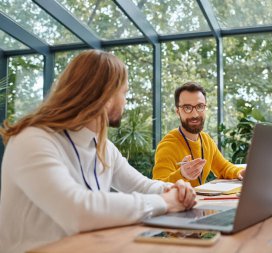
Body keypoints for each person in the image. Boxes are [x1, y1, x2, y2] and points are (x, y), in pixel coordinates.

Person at [0, 50, 196, 253]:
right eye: (124, 92)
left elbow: (140, 185)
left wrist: (174, 190)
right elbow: (77, 211)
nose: (125, 101)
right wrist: (164, 201)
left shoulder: (103, 147)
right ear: (106, 96)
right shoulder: (33, 140)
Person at [152, 82, 246, 187]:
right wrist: (182, 174)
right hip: (179, 202)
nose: (195, 114)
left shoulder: (206, 139)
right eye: (187, 108)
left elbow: (223, 168)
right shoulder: (168, 146)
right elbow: (158, 186)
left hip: (199, 200)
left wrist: (240, 172)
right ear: (178, 112)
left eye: (200, 106)